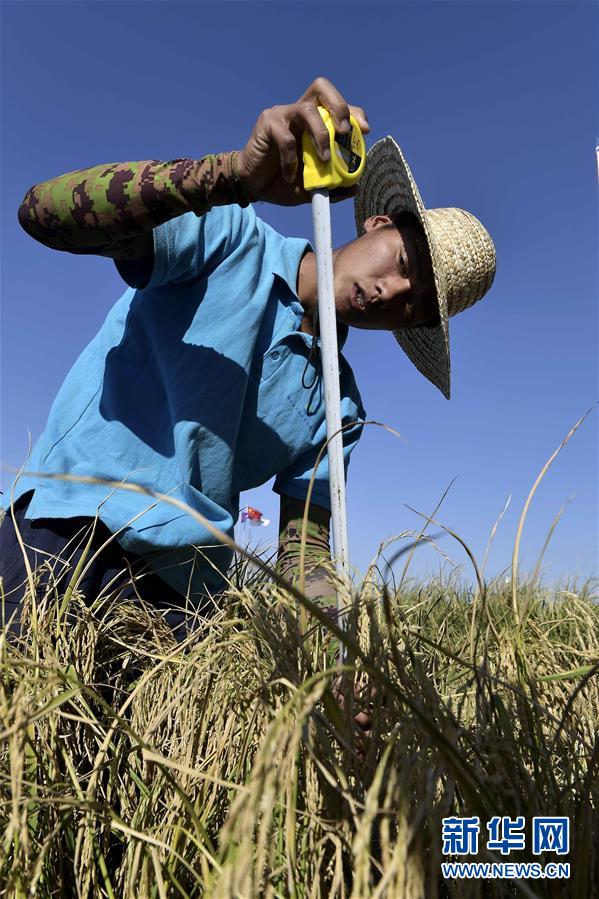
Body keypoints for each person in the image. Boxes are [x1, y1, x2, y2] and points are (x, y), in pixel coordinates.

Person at [0, 77, 495, 639]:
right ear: (377, 224)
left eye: (415, 306)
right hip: (66, 530)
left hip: (180, 603)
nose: (392, 292)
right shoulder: (231, 236)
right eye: (404, 264)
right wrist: (231, 176)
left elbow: (305, 553)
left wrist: (332, 639)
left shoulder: (340, 408)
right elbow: (41, 212)